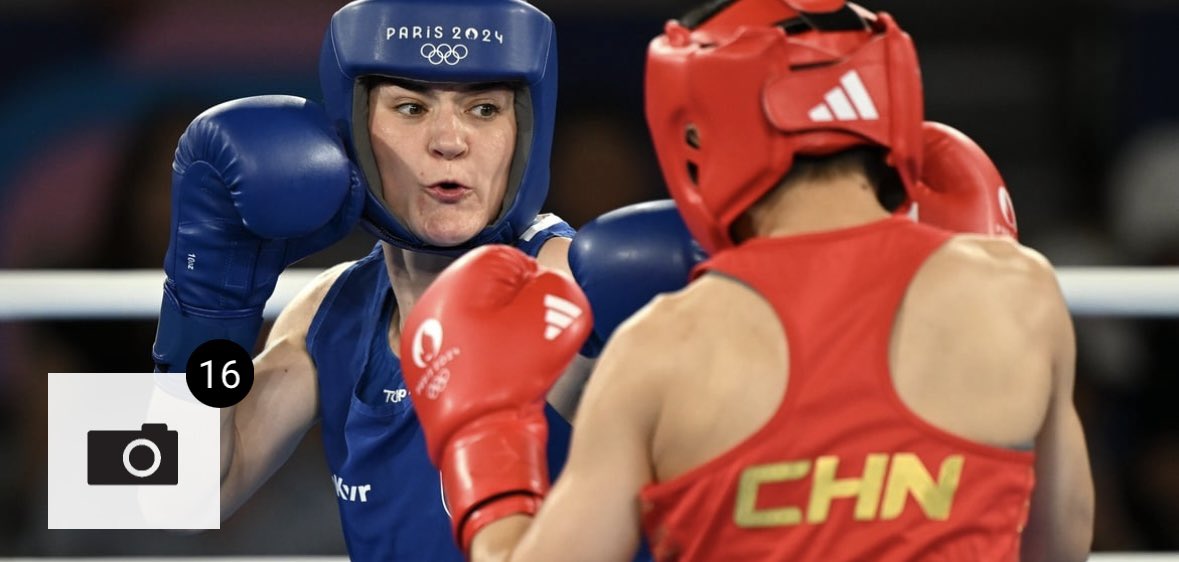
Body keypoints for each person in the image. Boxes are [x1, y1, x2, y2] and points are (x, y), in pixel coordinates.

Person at [399, 0, 1095, 561]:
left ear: (696, 134)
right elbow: (1059, 545)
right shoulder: (1019, 292)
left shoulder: (663, 350)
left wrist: (482, 441)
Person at [150, 0, 696, 559]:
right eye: (411, 108)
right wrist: (208, 304)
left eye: (483, 109)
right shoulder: (331, 309)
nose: (450, 140)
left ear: (525, 130)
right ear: (354, 127)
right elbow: (153, 496)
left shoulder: (562, 285)